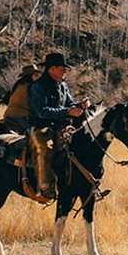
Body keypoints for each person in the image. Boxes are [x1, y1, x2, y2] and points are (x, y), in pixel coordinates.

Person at [27, 52, 89, 199]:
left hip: (60, 126)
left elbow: (70, 103)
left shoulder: (63, 85)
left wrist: (80, 105)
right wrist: (68, 111)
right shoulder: (38, 87)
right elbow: (42, 112)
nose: (65, 71)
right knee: (45, 147)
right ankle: (45, 187)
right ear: (52, 69)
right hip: (40, 126)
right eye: (62, 69)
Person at [1, 64, 42, 132]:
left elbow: (5, 100)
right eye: (36, 75)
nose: (38, 78)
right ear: (29, 76)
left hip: (8, 115)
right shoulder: (32, 87)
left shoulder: (17, 84)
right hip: (21, 117)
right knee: (37, 133)